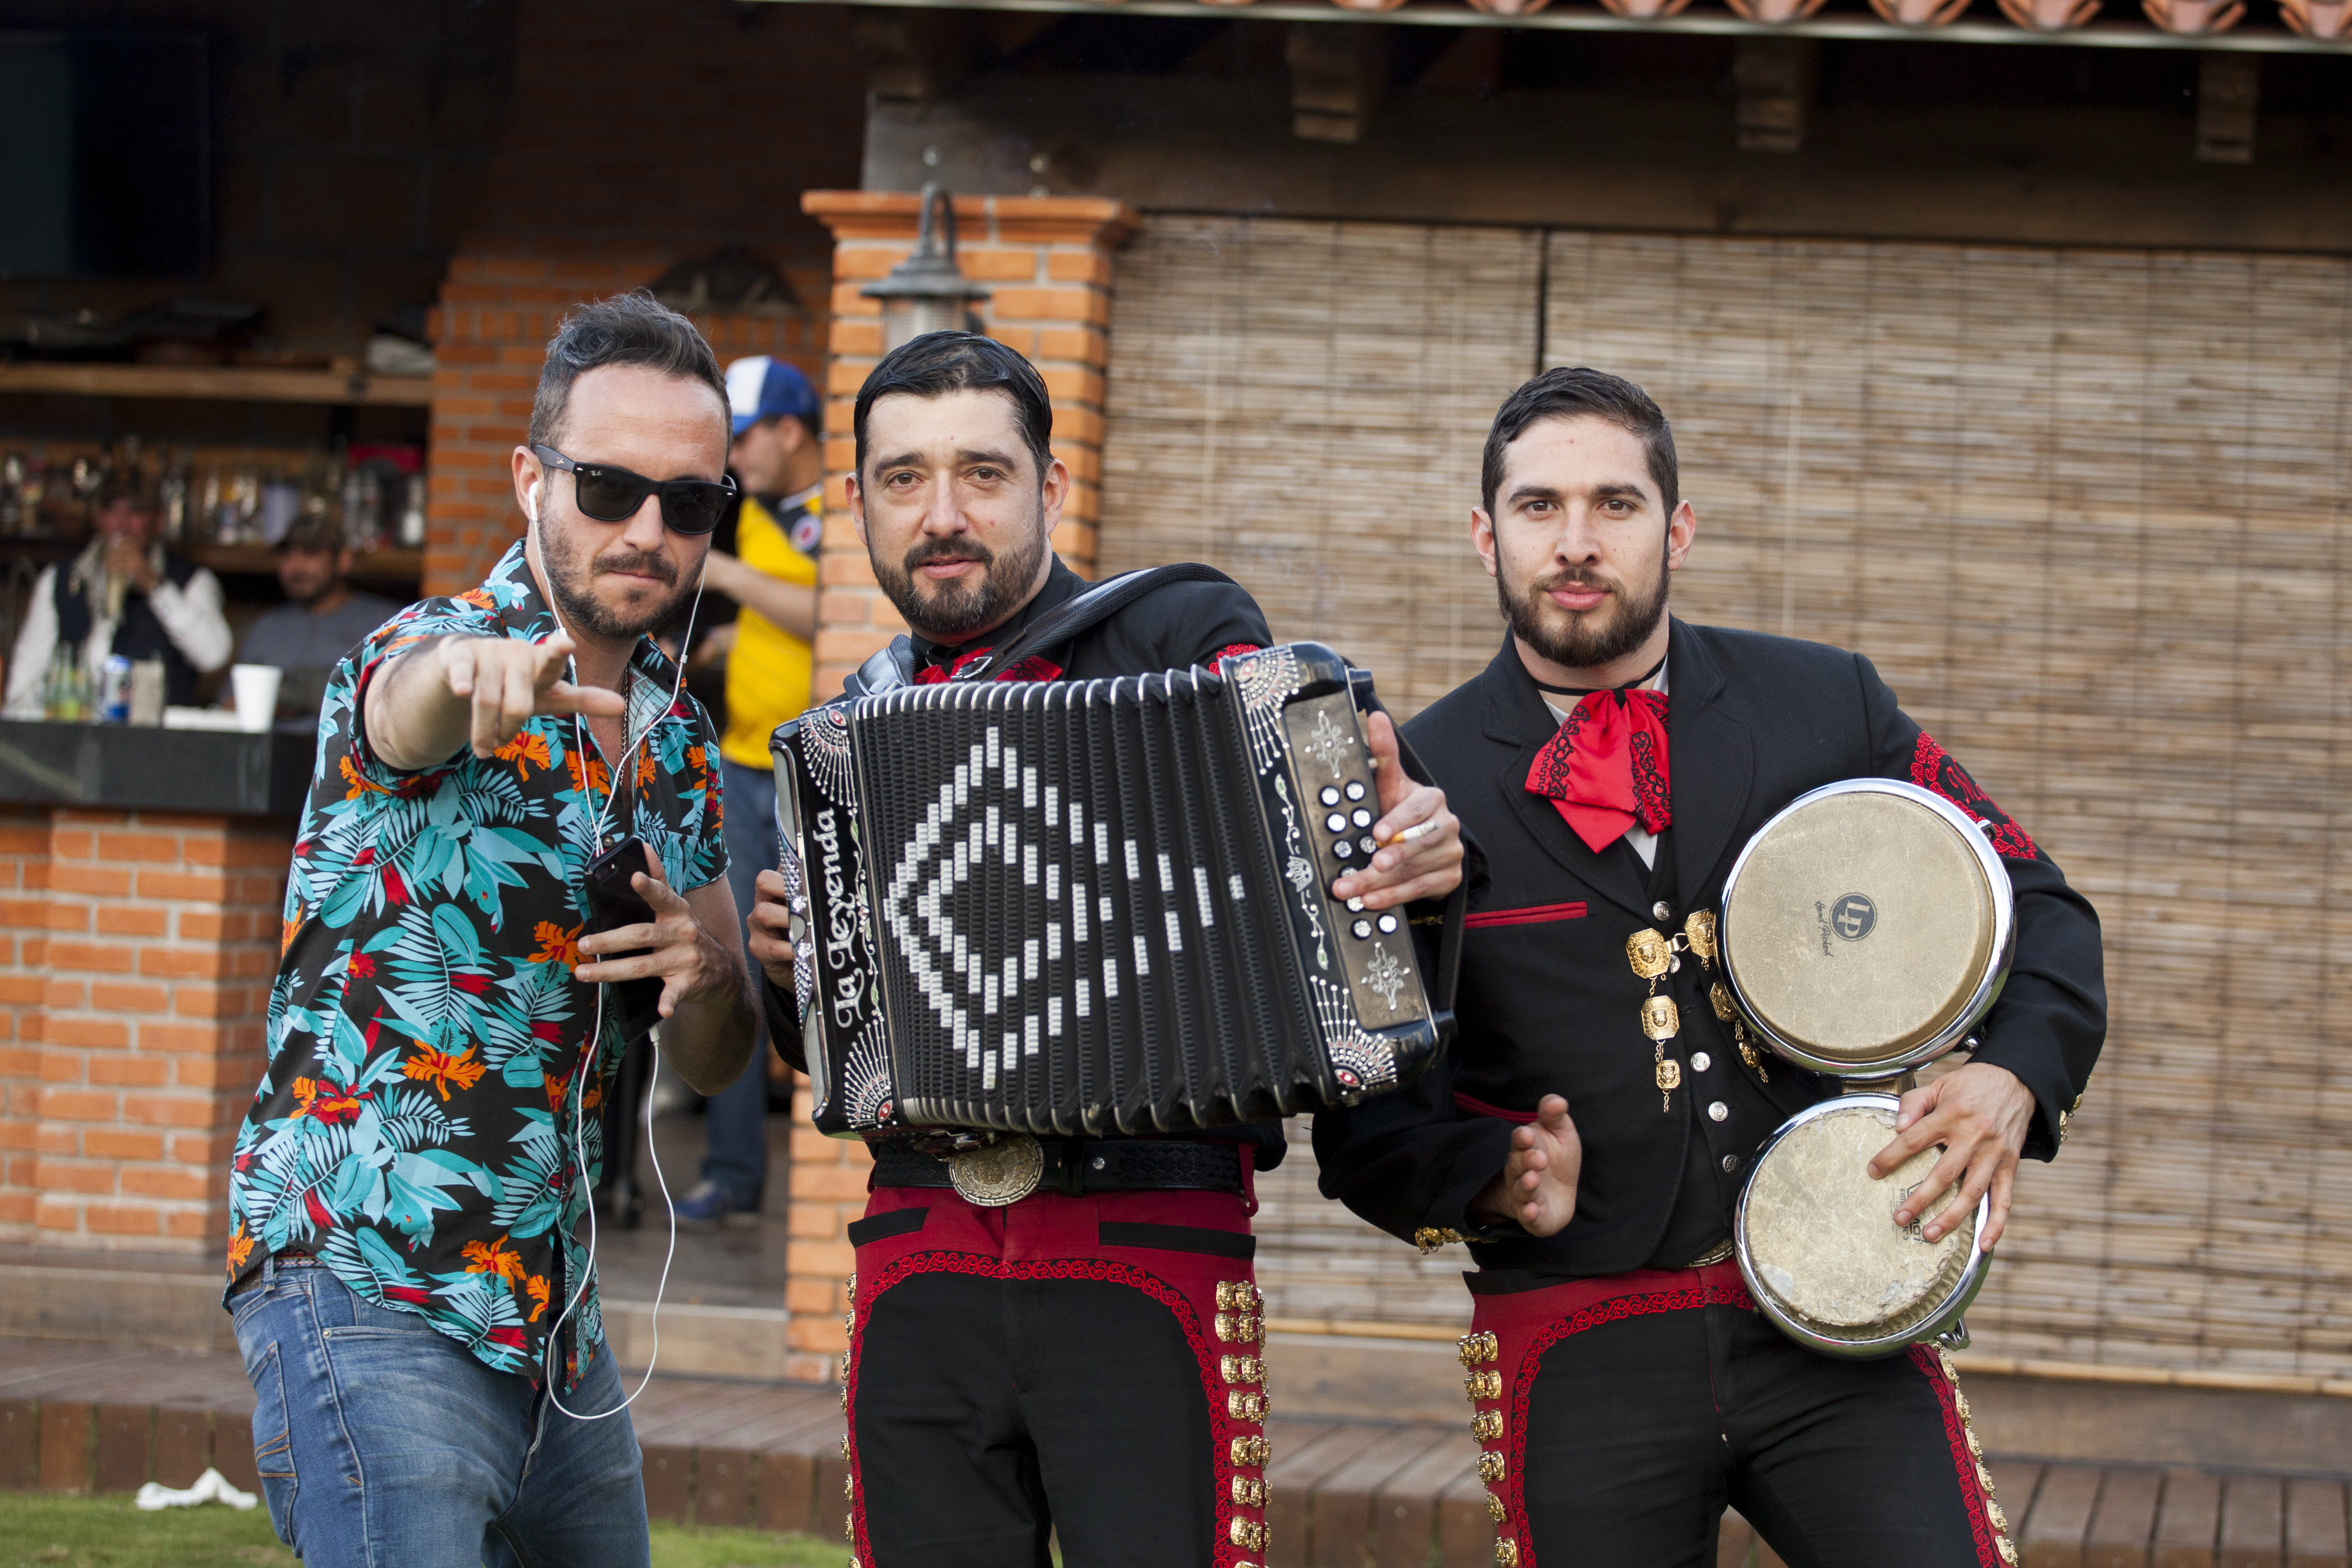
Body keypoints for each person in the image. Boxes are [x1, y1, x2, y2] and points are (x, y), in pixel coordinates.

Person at [1313, 367, 2106, 1568]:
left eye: (1613, 505)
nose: (1574, 543)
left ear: (1673, 526)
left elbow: (2031, 902)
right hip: (1572, 1338)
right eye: (1536, 508)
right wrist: (1492, 1179)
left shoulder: (1823, 705)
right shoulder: (1407, 788)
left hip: (1837, 1318)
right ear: (1484, 534)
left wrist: (2009, 1076)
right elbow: (1362, 1129)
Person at [743, 331, 1465, 1568]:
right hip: (917, 1255)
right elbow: (839, 1066)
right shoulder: (844, 728)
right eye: (903, 479)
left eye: (982, 473)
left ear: (1051, 488)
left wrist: (1404, 858)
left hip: (1146, 1251)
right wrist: (784, 968)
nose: (942, 514)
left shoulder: (1175, 634)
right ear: (856, 501)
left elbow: (1326, 839)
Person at [220, 292, 757, 1568]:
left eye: (687, 503)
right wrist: (471, 681)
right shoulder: (423, 648)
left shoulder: (674, 743)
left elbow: (719, 1057)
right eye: (609, 487)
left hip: (555, 1327)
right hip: (366, 1276)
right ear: (530, 478)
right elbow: (402, 712)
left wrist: (709, 968)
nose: (646, 531)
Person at [671, 354, 824, 1229]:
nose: (733, 454)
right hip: (739, 761)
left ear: (789, 430)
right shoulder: (754, 514)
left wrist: (728, 583)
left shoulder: (837, 512)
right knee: (727, 962)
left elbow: (826, 611)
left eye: (744, 434)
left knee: (811, 970)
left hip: (815, 776)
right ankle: (732, 1174)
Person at [2, 477, 232, 715]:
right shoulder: (59, 579)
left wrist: (152, 583)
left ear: (158, 519)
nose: (121, 525)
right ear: (98, 518)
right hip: (74, 737)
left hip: (158, 743)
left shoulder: (191, 581)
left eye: (135, 512)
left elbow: (214, 655)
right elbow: (23, 683)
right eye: (111, 510)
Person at [233, 514, 402, 731]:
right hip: (270, 759)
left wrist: (289, 696)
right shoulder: (267, 627)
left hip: (349, 761)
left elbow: (396, 703)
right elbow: (231, 704)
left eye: (310, 554)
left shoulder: (383, 624)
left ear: (343, 560)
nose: (297, 566)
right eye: (288, 555)